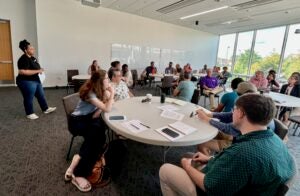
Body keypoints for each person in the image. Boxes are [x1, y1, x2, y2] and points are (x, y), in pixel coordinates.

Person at [159, 94, 295, 196]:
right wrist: (210, 159)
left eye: (234, 109)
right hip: (247, 185)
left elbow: (209, 186)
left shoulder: (242, 152)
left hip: (218, 190)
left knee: (166, 169)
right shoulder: (275, 139)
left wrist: (187, 166)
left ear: (241, 113)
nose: (232, 112)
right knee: (191, 155)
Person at [65, 70, 114, 192]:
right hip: (77, 122)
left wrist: (105, 100)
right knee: (95, 136)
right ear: (100, 82)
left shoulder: (99, 90)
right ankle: (79, 174)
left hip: (89, 117)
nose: (109, 81)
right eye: (107, 79)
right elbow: (108, 108)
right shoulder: (90, 93)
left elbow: (105, 105)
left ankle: (79, 157)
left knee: (100, 133)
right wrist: (112, 94)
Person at [16, 39, 56, 120]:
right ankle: (29, 113)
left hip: (36, 80)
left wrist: (40, 69)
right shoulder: (23, 59)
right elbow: (23, 72)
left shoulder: (33, 58)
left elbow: (35, 67)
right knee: (28, 97)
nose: (33, 49)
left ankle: (45, 109)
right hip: (26, 82)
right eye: (31, 49)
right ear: (25, 50)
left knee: (41, 95)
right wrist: (38, 70)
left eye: (33, 48)